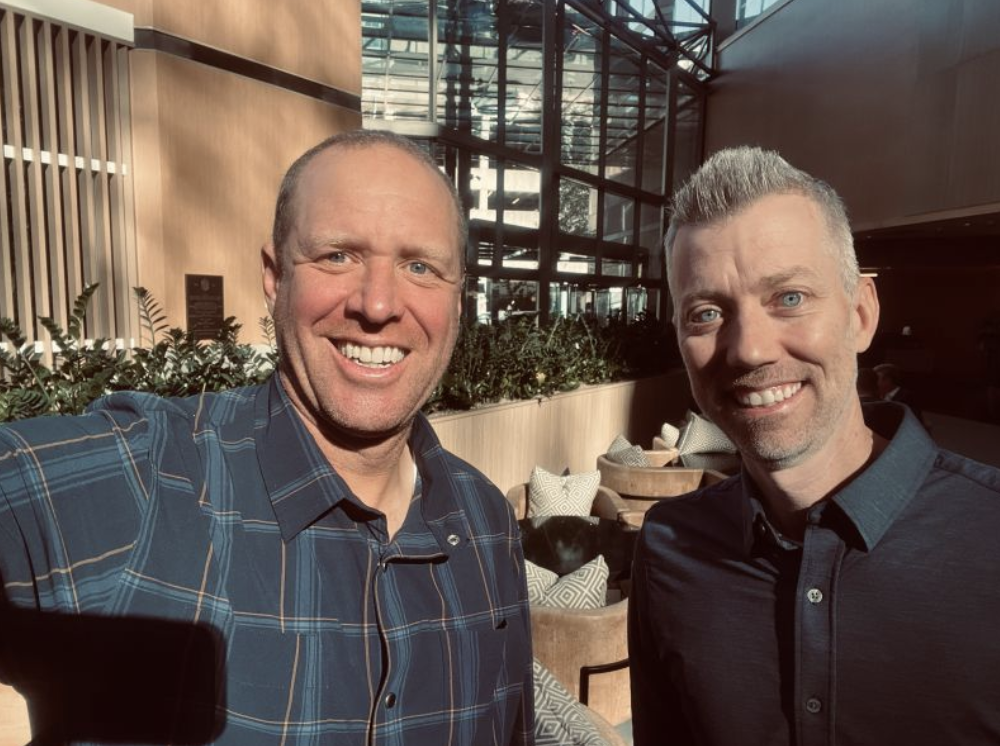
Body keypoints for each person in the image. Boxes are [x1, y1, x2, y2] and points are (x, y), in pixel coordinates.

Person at [0, 130, 534, 745]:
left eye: (420, 266)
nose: (380, 304)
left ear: (459, 300)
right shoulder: (147, 482)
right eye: (338, 255)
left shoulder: (487, 522)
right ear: (275, 278)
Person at [628, 146, 1000, 746]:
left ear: (860, 313)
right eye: (705, 312)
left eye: (789, 298)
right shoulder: (670, 548)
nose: (749, 349)